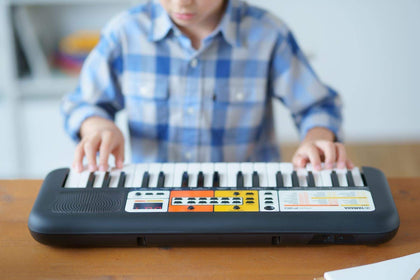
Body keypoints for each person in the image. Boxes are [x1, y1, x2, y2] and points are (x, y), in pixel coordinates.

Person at [61, 0, 353, 173]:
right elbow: (85, 103)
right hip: (155, 198)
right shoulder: (125, 32)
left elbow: (317, 105)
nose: (181, 2)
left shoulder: (267, 34)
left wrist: (316, 138)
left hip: (246, 196)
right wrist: (99, 128)